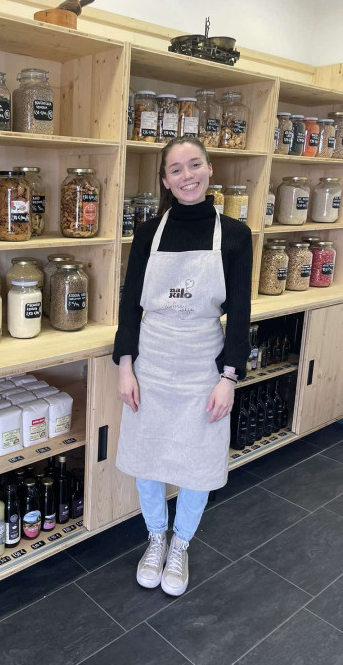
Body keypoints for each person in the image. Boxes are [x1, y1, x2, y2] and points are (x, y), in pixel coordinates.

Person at [113, 136, 252, 596]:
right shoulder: (148, 233)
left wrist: (229, 377)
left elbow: (240, 314)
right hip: (151, 361)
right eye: (176, 169)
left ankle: (181, 544)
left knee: (199, 462)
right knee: (147, 459)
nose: (187, 176)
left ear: (210, 170)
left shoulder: (235, 235)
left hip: (202, 365)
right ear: (165, 180)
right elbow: (129, 305)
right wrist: (125, 366)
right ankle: (156, 537)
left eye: (195, 165)